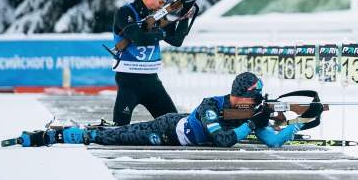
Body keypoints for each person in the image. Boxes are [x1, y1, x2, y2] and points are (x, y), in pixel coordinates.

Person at [16, 73, 303, 148]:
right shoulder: (212, 106)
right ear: (240, 97)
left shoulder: (247, 111)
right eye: (254, 101)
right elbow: (223, 140)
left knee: (117, 132)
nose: (255, 106)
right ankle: (64, 135)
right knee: (114, 137)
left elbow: (273, 141)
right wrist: (252, 124)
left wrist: (296, 125)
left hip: (177, 132)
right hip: (165, 130)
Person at [111, 0, 197, 125]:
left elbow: (176, 40)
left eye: (164, 3)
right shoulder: (125, 12)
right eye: (160, 2)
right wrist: (161, 32)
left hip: (152, 81)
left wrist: (186, 10)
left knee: (174, 124)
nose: (161, 6)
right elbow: (139, 38)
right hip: (129, 81)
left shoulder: (158, 16)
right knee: (119, 127)